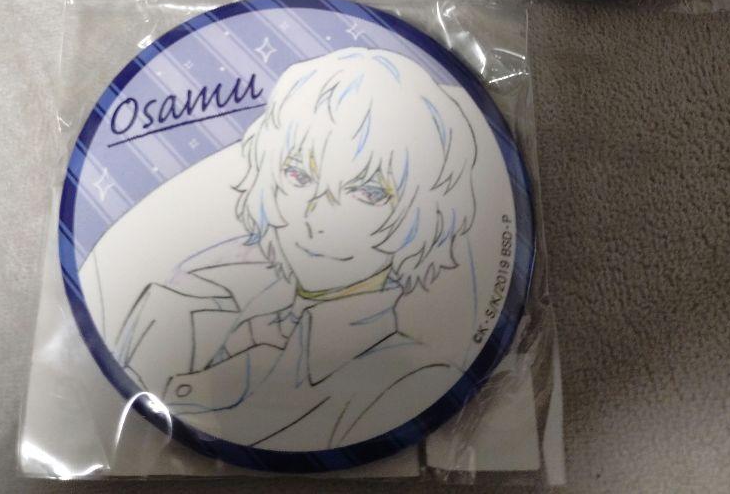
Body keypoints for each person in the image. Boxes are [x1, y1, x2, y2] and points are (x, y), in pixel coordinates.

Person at [113, 48, 479, 451]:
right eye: (297, 175)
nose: (316, 217)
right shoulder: (184, 305)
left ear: (427, 213)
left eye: (368, 192)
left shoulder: (412, 380)